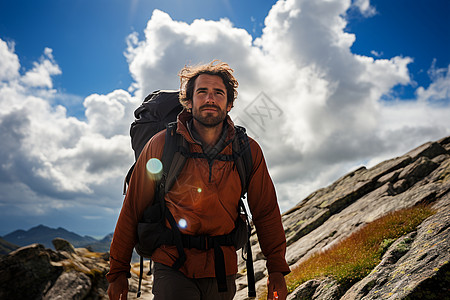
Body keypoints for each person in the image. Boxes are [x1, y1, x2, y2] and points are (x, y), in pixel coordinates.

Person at [107, 60, 290, 300]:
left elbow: (265, 211)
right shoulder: (162, 144)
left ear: (230, 103)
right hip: (173, 265)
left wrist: (276, 269)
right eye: (202, 92)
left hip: (222, 270)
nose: (210, 99)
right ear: (188, 102)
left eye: (218, 93)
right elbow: (132, 208)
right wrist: (118, 272)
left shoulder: (247, 150)